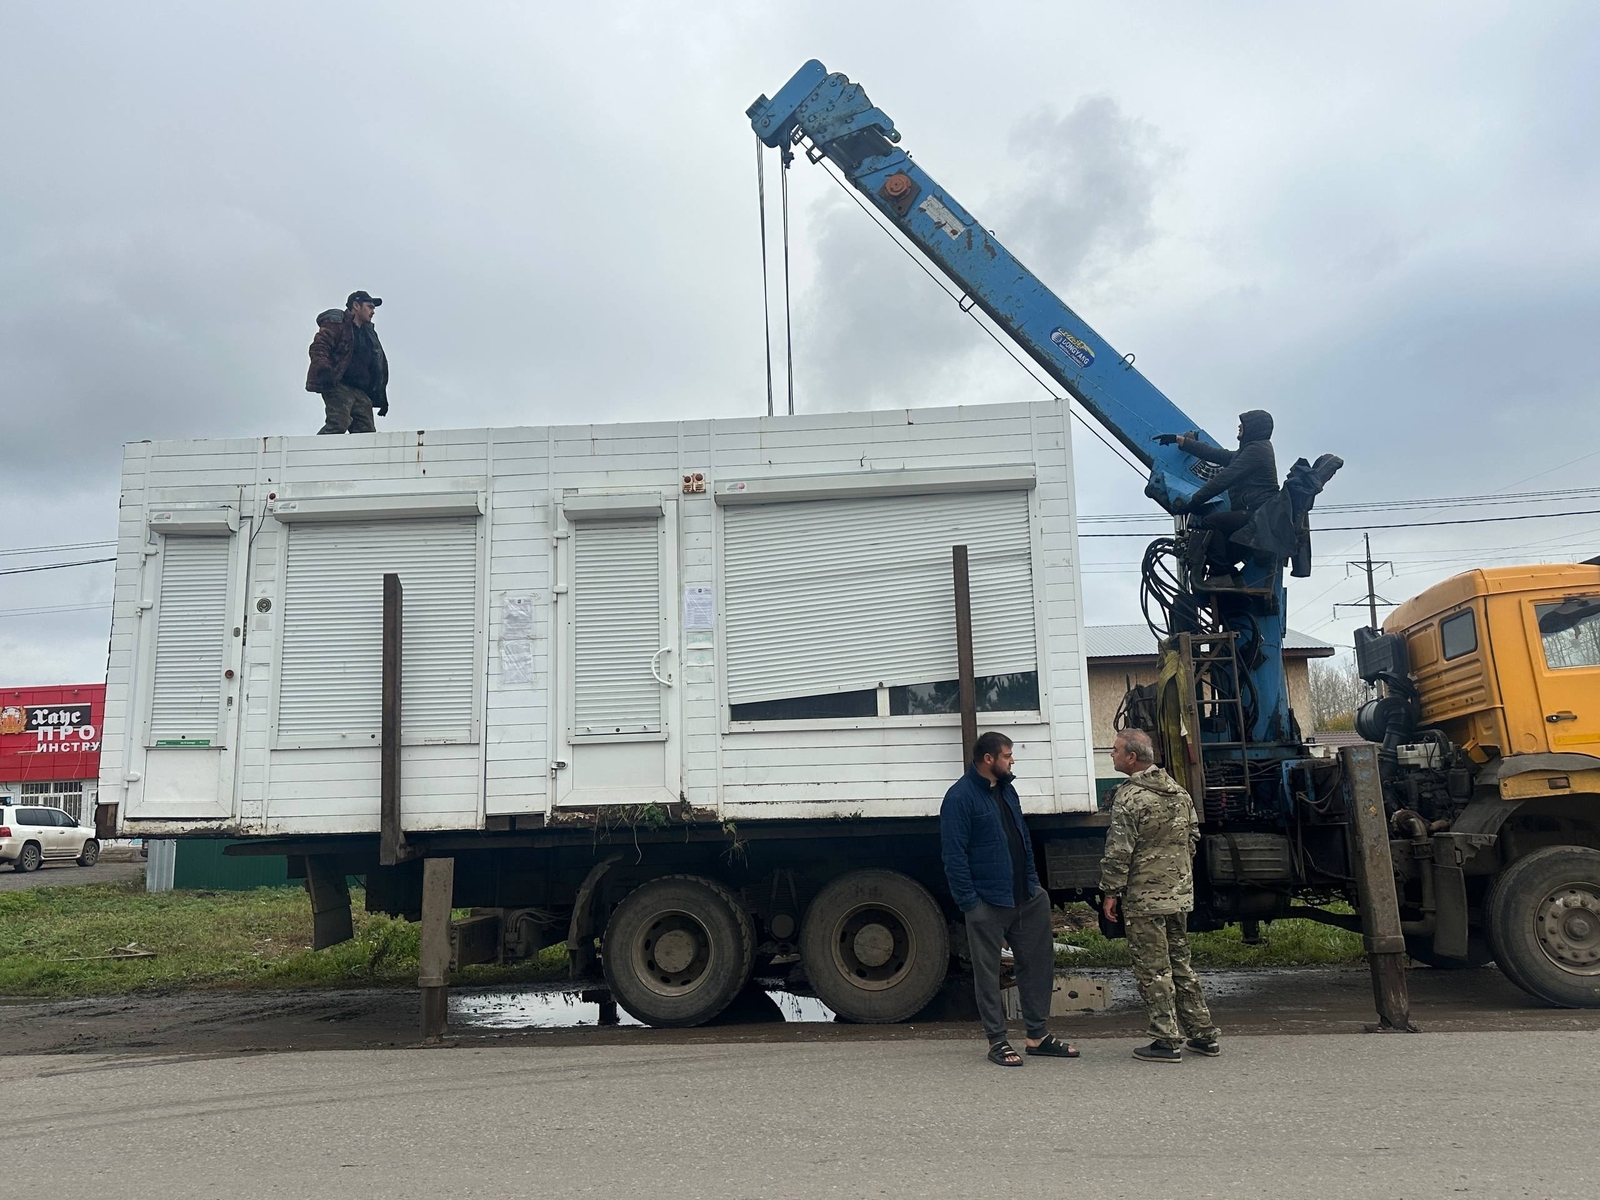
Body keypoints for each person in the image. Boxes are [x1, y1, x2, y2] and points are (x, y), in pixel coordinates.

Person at [941, 731, 1077, 1067]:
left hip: (1026, 898)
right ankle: (997, 1041)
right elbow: (953, 856)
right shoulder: (959, 798)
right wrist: (970, 903)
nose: (1011, 760)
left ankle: (1037, 1036)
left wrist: (1033, 883)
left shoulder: (1008, 790)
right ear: (988, 759)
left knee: (1038, 964)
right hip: (987, 902)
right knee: (987, 974)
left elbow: (1022, 838)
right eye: (1007, 755)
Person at [1099, 727, 1220, 1063]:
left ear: (1132, 757)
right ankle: (1204, 1034)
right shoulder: (1178, 792)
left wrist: (1111, 891)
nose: (1112, 754)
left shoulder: (1129, 797)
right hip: (1177, 895)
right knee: (1181, 964)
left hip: (1144, 899)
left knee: (1153, 969)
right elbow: (1193, 836)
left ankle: (1166, 1041)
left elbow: (1119, 852)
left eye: (1115, 749)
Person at [1156, 410, 1277, 578]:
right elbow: (1215, 454)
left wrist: (1193, 503)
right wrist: (1181, 440)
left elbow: (1224, 479)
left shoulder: (1258, 450)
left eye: (1244, 423)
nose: (1240, 426)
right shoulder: (1248, 451)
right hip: (1256, 513)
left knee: (1211, 524)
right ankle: (1227, 574)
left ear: (1254, 427)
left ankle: (1220, 574)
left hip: (1259, 514)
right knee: (1223, 546)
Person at [307, 290, 390, 435]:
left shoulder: (369, 334)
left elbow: (378, 366)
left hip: (361, 391)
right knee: (338, 423)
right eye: (370, 307)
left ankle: (359, 458)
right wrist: (324, 370)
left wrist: (381, 397)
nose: (373, 311)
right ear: (356, 306)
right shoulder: (337, 324)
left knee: (366, 433)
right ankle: (315, 455)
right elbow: (320, 346)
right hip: (339, 384)